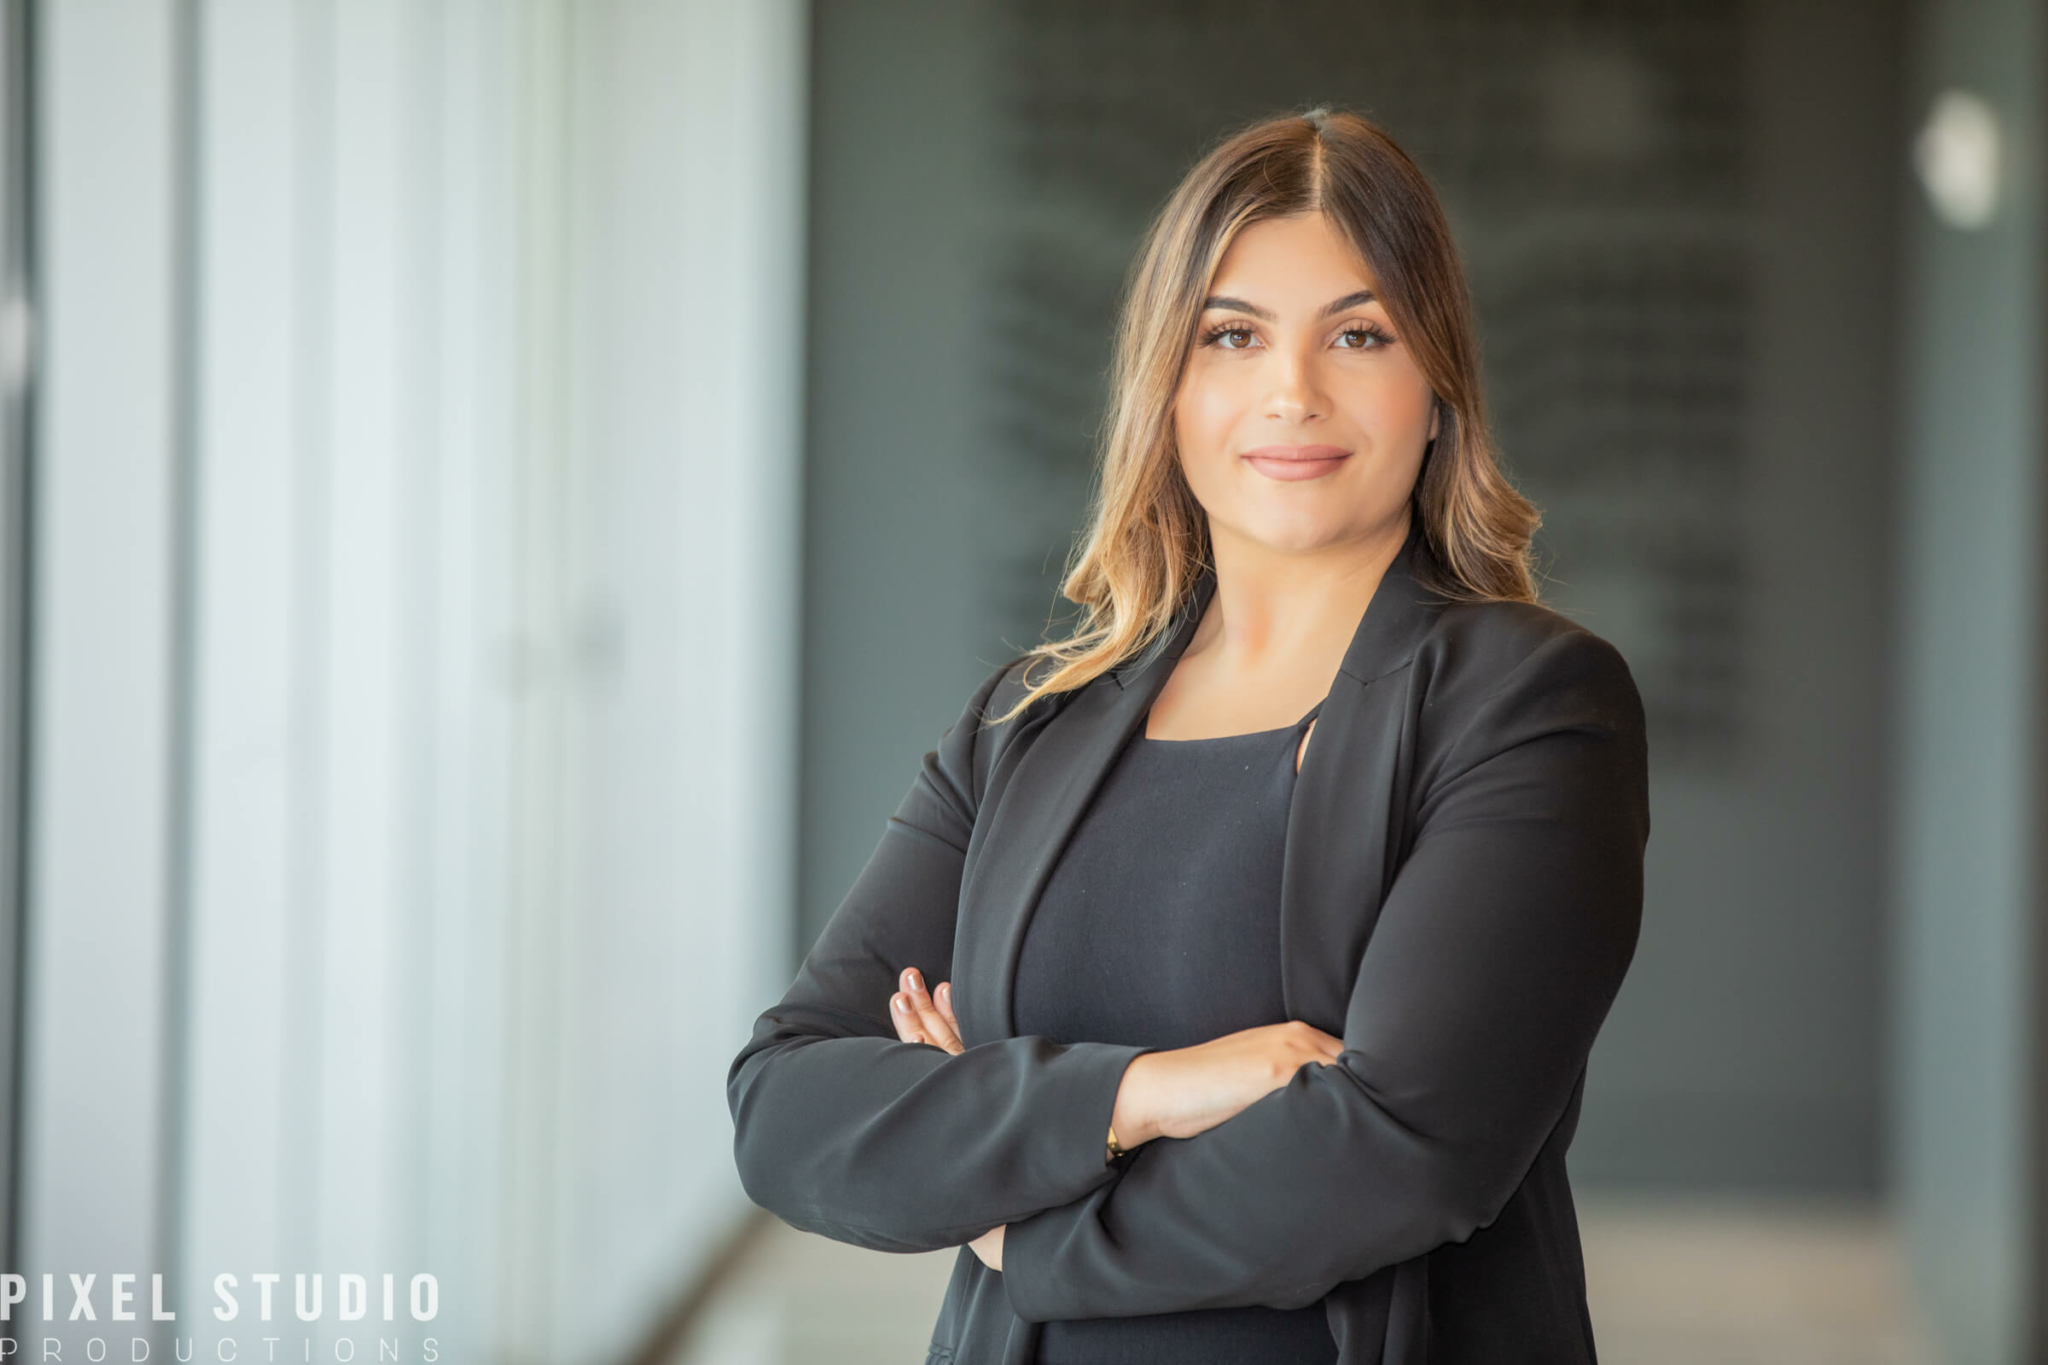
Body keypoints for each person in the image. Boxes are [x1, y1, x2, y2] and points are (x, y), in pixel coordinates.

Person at [726, 105, 1650, 1365]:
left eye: (1359, 333)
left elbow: (1399, 1158)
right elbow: (785, 1109)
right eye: (1232, 335)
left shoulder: (1532, 705)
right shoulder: (1024, 723)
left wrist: (1015, 1210)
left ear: (1436, 390)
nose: (1292, 392)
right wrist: (1139, 1094)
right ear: (1166, 388)